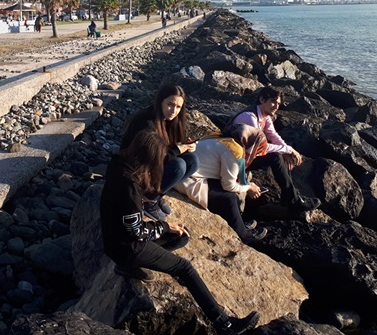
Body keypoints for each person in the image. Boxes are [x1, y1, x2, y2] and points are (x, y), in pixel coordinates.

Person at [101, 131, 260, 335]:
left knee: (181, 237)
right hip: (127, 246)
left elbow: (130, 222)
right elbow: (137, 232)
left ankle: (127, 266)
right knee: (184, 268)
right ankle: (224, 323)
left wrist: (168, 229)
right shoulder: (129, 187)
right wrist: (165, 227)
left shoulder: (119, 165)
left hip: (115, 239)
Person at [229, 86, 321, 213]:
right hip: (233, 161)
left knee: (280, 155)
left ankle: (287, 199)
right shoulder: (249, 117)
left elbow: (273, 135)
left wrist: (286, 151)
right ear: (262, 99)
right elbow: (260, 148)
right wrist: (287, 150)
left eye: (278, 104)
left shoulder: (265, 117)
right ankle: (293, 201)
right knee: (276, 156)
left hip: (245, 156)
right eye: (273, 101)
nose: (276, 106)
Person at [176, 124, 269, 244]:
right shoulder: (235, 150)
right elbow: (229, 186)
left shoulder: (219, 136)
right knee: (229, 197)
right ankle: (245, 236)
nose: (255, 155)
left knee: (226, 190)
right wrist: (249, 187)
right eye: (257, 151)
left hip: (186, 172)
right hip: (188, 181)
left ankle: (238, 224)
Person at [121, 84, 199, 221]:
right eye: (170, 104)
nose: (174, 110)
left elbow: (166, 151)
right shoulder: (146, 121)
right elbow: (151, 158)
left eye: (178, 107)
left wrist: (186, 146)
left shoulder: (169, 121)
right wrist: (177, 150)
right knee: (178, 166)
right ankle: (147, 200)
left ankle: (156, 195)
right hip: (135, 172)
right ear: (160, 101)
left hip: (151, 169)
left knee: (193, 161)